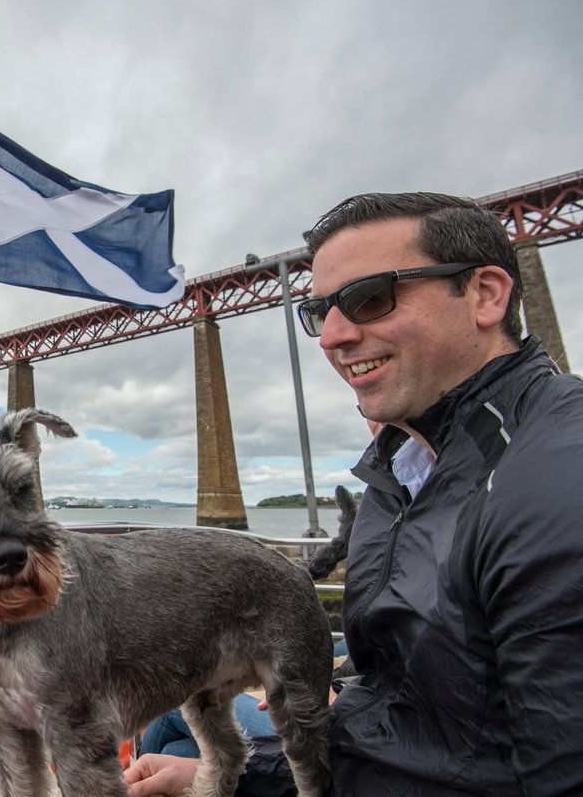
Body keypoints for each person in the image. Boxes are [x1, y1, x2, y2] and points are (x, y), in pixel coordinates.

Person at [126, 191, 583, 795]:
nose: (332, 337)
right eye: (319, 313)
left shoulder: (554, 480)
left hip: (400, 765)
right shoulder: (405, 469)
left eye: (370, 298)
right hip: (376, 738)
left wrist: (238, 784)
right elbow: (406, 670)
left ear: (486, 295)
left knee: (179, 738)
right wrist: (335, 679)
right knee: (169, 722)